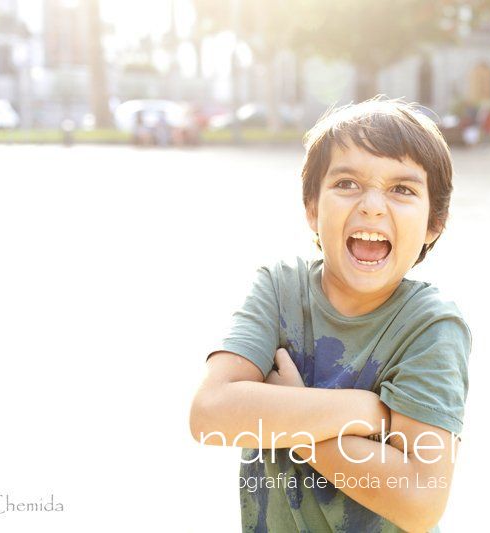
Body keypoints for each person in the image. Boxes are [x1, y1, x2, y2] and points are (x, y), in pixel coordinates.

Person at [189, 98, 472, 532]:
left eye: (402, 189)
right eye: (347, 183)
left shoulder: (430, 328)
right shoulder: (279, 289)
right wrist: (362, 411)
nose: (373, 206)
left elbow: (420, 503)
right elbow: (210, 414)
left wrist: (291, 411)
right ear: (311, 208)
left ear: (435, 222)